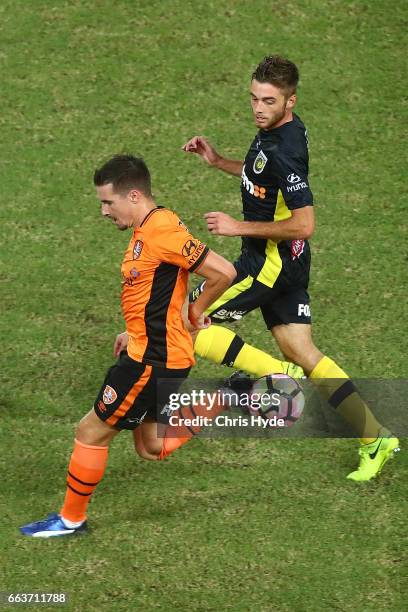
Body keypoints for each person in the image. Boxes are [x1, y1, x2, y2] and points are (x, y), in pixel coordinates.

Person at [182, 55, 399, 481]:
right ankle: (376, 438)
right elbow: (261, 177)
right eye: (253, 99)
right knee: (304, 352)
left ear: (290, 100)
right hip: (291, 262)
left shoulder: (285, 150)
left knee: (185, 320)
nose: (258, 108)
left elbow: (306, 223)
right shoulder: (280, 129)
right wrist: (220, 161)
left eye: (268, 100)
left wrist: (235, 226)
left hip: (268, 264)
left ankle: (276, 379)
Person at [20, 154, 236, 537]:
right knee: (151, 447)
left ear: (133, 195)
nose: (103, 211)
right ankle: (231, 396)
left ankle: (71, 520)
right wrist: (135, 328)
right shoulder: (150, 227)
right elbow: (161, 288)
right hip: (155, 353)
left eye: (108, 201)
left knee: (90, 432)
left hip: (150, 361)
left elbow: (224, 272)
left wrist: (195, 312)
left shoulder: (162, 231)